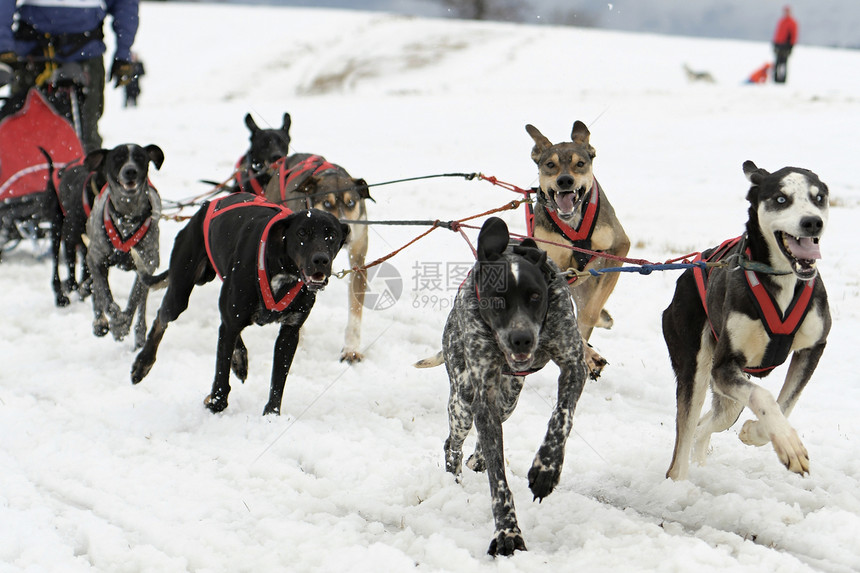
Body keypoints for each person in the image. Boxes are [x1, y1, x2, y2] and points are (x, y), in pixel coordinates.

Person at [0, 0, 141, 152]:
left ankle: (84, 168)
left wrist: (124, 52)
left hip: (83, 53)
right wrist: (4, 46)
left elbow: (125, 3)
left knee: (86, 138)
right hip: (36, 53)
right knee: (21, 135)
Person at [772, 5, 798, 84]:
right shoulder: (782, 21)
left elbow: (793, 35)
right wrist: (775, 44)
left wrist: (790, 46)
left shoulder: (792, 22)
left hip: (786, 45)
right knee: (777, 63)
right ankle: (776, 79)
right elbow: (777, 33)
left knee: (783, 63)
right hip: (779, 44)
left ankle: (782, 80)